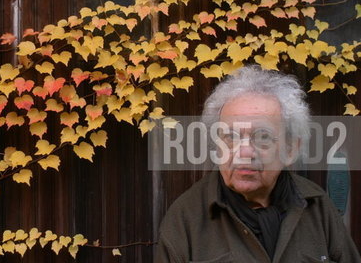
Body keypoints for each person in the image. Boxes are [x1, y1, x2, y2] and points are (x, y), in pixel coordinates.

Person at [154, 65, 361, 263]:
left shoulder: (318, 208)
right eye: (231, 137)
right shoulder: (185, 218)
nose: (244, 152)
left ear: (290, 149)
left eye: (262, 136)